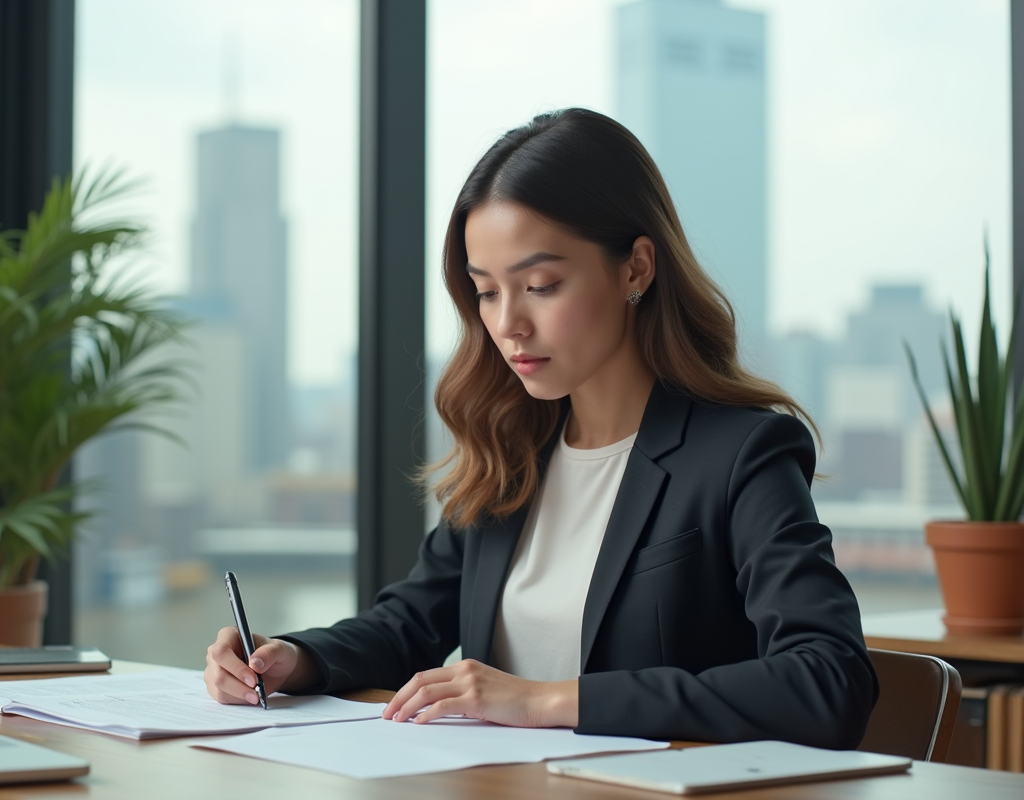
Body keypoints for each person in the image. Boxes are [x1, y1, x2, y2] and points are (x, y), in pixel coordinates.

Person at [204, 108, 877, 748]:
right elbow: (406, 627)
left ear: (636, 268)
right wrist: (291, 657)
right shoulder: (511, 449)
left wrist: (548, 701)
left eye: (542, 285)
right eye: (487, 291)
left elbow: (829, 681)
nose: (507, 324)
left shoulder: (740, 453)